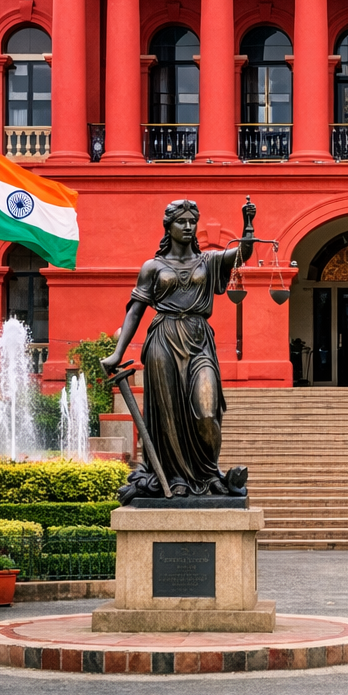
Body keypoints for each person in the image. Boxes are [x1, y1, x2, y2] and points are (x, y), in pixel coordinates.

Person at [102, 197, 257, 500]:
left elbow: (242, 254)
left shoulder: (209, 261)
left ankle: (209, 473)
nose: (188, 227)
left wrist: (248, 225)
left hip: (199, 339)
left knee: (206, 411)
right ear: (168, 226)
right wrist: (118, 353)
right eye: (181, 222)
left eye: (192, 222)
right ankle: (176, 479)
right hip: (163, 340)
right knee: (168, 414)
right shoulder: (153, 267)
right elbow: (135, 310)